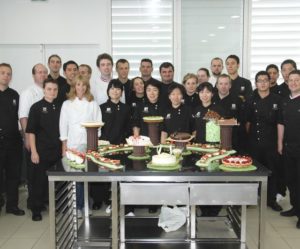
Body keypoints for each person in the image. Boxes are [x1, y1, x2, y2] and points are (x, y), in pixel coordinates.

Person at [59, 75, 102, 218]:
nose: (81, 87)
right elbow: (63, 125)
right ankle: (78, 206)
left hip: (88, 144)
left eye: (84, 85)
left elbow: (98, 125)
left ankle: (86, 204)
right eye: (78, 84)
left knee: (86, 176)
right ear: (74, 86)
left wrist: (94, 145)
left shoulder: (93, 103)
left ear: (87, 87)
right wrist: (64, 145)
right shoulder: (67, 104)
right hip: (72, 144)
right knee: (75, 176)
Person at [91, 80, 131, 211]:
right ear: (108, 91)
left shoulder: (126, 108)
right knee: (102, 175)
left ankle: (122, 200)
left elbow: (129, 129)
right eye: (112, 89)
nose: (115, 91)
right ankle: (98, 200)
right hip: (105, 147)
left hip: (122, 148)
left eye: (118, 89)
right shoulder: (101, 107)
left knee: (121, 175)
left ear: (122, 92)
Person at [245, 71, 282, 211]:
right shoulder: (250, 99)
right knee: (252, 171)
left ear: (269, 81)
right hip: (254, 142)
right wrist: (250, 139)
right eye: (259, 80)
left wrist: (279, 143)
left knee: (272, 171)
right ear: (256, 83)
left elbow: (280, 123)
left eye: (265, 80)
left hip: (271, 142)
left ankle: (271, 200)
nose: (263, 83)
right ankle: (251, 198)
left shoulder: (277, 100)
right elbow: (247, 123)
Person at [26, 78, 62, 221]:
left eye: (55, 89)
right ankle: (36, 209)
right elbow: (31, 132)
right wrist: (34, 152)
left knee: (57, 181)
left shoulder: (60, 107)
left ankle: (55, 205)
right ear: (44, 90)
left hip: (57, 151)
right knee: (39, 181)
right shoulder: (36, 107)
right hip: (41, 152)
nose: (52, 92)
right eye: (49, 89)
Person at [19, 63, 48, 210]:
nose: (42, 75)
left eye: (44, 72)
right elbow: (23, 117)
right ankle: (33, 203)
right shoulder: (27, 92)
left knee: (43, 173)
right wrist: (26, 139)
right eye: (39, 72)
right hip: (33, 139)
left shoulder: (49, 91)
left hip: (46, 141)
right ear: (34, 75)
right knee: (33, 174)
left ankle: (43, 201)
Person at [0, 63, 24, 216]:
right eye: (3, 73)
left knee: (13, 175)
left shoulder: (14, 95)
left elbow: (19, 117)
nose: (6, 76)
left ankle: (12, 205)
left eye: (9, 73)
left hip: (13, 141)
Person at [278, 70, 300, 228]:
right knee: (291, 179)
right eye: (291, 80)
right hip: (288, 146)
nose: (293, 83)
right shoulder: (285, 101)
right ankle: (295, 207)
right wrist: (280, 142)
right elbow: (281, 123)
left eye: (297, 80)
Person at [212, 74, 244, 153]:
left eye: (226, 84)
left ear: (230, 85)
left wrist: (221, 122)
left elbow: (241, 120)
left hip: (232, 139)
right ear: (216, 85)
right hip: (214, 139)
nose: (223, 86)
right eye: (221, 84)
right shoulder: (211, 99)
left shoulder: (237, 100)